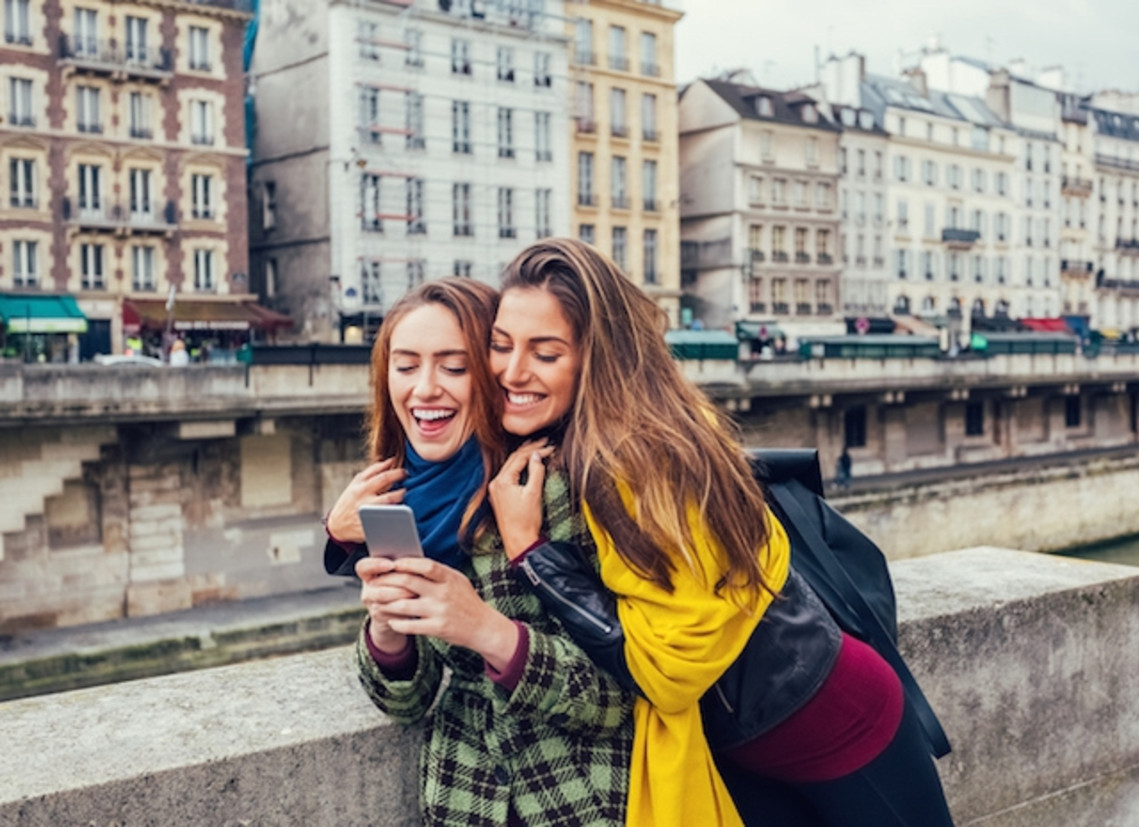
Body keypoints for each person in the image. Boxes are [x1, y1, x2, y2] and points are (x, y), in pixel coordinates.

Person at [488, 239, 953, 827]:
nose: (511, 370)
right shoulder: (592, 437)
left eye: (544, 353)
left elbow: (666, 668)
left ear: (595, 358)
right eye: (500, 345)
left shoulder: (639, 459)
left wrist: (533, 554)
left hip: (836, 724)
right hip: (749, 741)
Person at [322, 278, 634, 827]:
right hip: (461, 803)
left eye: (453, 366)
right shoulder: (399, 497)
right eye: (406, 365)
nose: (424, 389)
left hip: (577, 803)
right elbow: (405, 703)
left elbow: (624, 695)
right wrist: (388, 633)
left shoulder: (555, 486)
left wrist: (489, 632)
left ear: (489, 378)